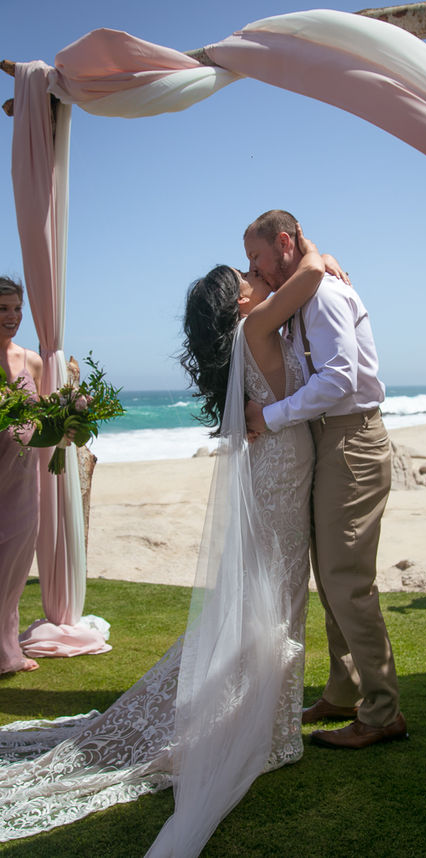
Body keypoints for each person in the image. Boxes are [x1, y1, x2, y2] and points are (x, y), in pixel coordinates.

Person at [0, 229, 335, 855]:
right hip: (283, 471)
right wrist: (313, 249)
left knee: (274, 591)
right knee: (278, 592)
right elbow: (311, 272)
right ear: (238, 303)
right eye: (246, 278)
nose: (255, 276)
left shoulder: (251, 331)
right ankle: (272, 729)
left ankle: (271, 719)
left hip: (278, 467)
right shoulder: (259, 324)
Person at [244, 210, 406, 750]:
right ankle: (344, 690)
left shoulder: (325, 297)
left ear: (285, 243)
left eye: (257, 258)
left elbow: (339, 379)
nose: (255, 270)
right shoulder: (302, 294)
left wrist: (270, 416)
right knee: (328, 569)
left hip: (351, 439)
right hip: (328, 440)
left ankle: (382, 711)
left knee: (345, 576)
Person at [0, 276, 42, 675]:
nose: (11, 317)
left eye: (17, 309)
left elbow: (41, 415)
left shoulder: (31, 360)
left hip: (23, 479)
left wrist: (68, 419)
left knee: (13, 568)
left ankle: (7, 650)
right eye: (3, 309)